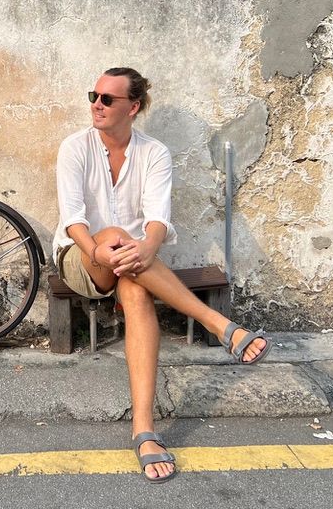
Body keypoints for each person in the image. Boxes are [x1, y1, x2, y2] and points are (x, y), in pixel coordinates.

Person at [54, 67, 271, 484]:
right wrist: (100, 249)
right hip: (81, 258)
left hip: (135, 263)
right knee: (117, 236)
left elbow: (157, 221)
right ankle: (220, 326)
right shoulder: (74, 148)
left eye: (107, 99)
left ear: (132, 108)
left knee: (135, 290)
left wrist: (147, 248)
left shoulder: (153, 153)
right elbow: (74, 220)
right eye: (93, 96)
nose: (96, 105)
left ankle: (144, 430)